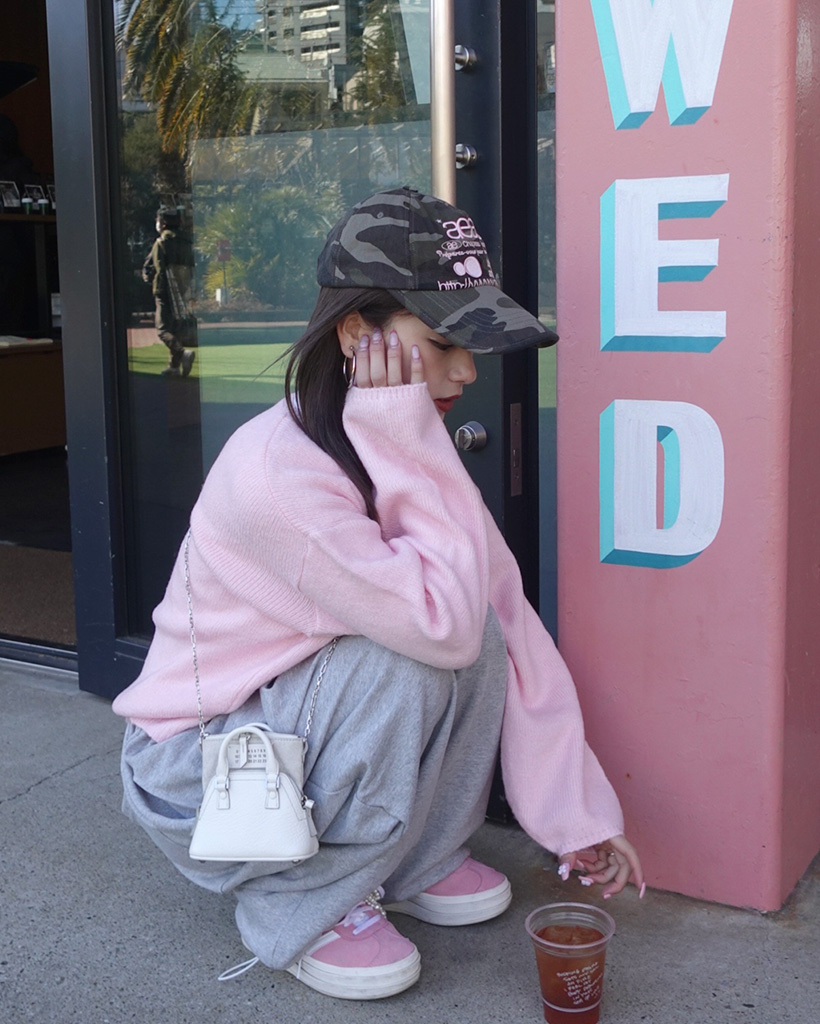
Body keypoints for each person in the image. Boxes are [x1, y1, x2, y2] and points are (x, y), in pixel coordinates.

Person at [113, 187, 643, 1001]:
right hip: (200, 775)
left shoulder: (387, 445)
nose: (467, 371)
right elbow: (441, 626)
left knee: (473, 622)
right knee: (421, 645)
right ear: (359, 334)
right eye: (443, 343)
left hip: (284, 722)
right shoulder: (280, 476)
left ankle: (412, 860)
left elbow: (506, 618)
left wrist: (577, 815)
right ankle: (305, 901)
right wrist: (408, 437)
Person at [142, 207, 196, 377]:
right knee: (176, 327)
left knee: (162, 329)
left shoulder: (162, 242)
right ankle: (174, 366)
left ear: (163, 223)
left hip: (164, 290)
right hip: (182, 290)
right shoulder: (187, 242)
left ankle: (182, 353)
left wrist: (150, 280)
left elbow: (158, 268)